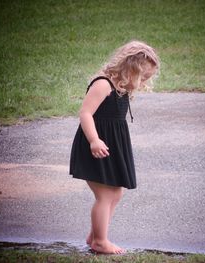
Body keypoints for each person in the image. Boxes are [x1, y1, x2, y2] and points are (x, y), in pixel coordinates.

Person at [69, 40, 160, 254]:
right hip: (95, 145)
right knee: (105, 195)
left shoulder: (121, 87)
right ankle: (100, 241)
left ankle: (94, 235)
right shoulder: (103, 84)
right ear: (130, 69)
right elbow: (85, 113)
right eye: (143, 77)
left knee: (116, 193)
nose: (144, 81)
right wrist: (94, 140)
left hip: (112, 145)